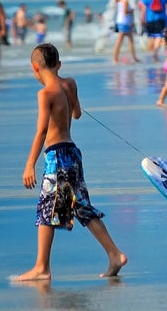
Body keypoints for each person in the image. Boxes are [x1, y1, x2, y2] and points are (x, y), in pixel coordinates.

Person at [13, 43, 127, 282]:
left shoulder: (45, 94)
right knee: (80, 206)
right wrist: (68, 101)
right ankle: (114, 254)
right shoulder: (69, 84)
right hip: (73, 153)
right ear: (60, 64)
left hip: (56, 156)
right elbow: (77, 113)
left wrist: (29, 164)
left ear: (35, 68)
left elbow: (41, 130)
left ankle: (42, 268)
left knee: (47, 207)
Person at [112, 0, 139, 64]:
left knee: (129, 40)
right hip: (125, 22)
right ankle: (115, 58)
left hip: (120, 21)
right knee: (122, 41)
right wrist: (132, 10)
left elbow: (118, 9)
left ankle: (134, 57)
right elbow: (125, 12)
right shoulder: (126, 0)